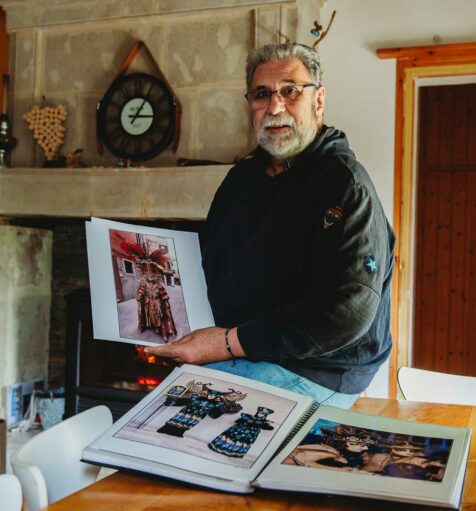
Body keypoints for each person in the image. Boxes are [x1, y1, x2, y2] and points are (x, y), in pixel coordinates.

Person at [145, 43, 396, 409]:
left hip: (318, 367)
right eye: (262, 94)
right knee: (157, 413)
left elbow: (348, 312)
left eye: (290, 91)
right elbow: (210, 257)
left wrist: (225, 343)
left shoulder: (344, 184)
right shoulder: (241, 179)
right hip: (246, 349)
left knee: (173, 423)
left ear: (319, 99)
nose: (275, 107)